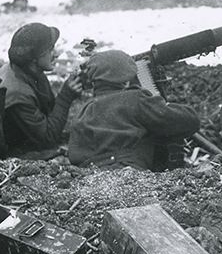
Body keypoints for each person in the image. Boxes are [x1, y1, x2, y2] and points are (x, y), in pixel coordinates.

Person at [68, 50, 200, 171]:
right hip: (130, 175)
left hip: (90, 180)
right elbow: (189, 121)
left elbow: (74, 156)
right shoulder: (134, 99)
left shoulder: (83, 110)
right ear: (126, 79)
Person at [0, 23, 82, 158]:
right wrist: (65, 98)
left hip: (29, 136)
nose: (56, 54)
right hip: (15, 152)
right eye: (51, 50)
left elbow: (48, 111)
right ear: (34, 58)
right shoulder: (17, 93)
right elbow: (48, 138)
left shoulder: (28, 70)